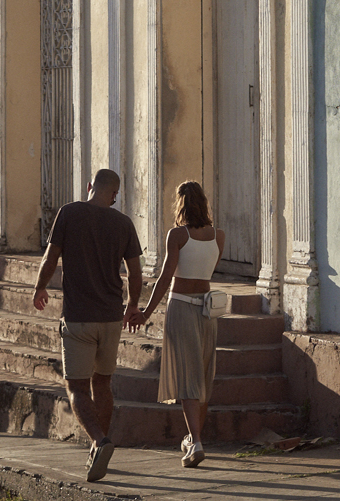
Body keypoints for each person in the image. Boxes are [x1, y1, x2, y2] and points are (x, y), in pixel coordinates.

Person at [33, 169, 143, 482]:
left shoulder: (69, 213)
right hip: (111, 318)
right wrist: (133, 305)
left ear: (89, 187)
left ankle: (99, 441)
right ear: (115, 194)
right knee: (102, 383)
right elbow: (135, 273)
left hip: (79, 317)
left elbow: (51, 257)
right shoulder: (123, 223)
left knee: (76, 387)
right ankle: (101, 447)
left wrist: (40, 287)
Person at [138, 181, 225, 468]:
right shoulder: (218, 236)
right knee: (202, 375)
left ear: (181, 204)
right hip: (208, 311)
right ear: (204, 202)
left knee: (188, 378)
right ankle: (193, 439)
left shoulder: (177, 235)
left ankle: (195, 441)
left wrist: (146, 312)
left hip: (181, 308)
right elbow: (207, 270)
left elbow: (165, 278)